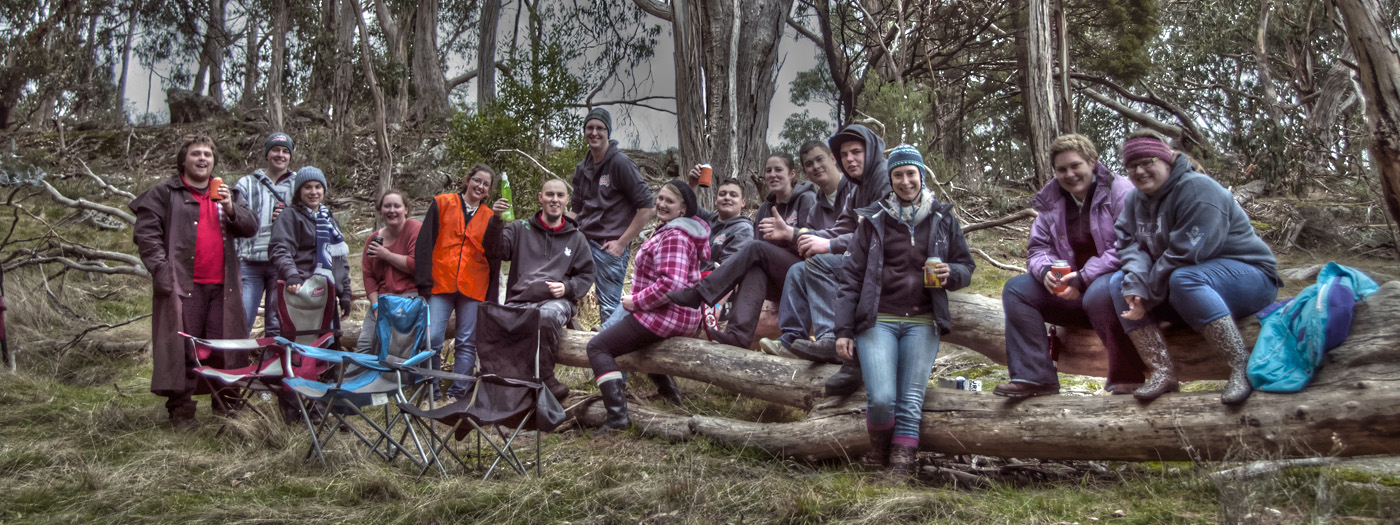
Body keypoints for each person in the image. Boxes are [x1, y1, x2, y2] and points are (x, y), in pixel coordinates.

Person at [834, 145, 975, 481]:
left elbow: (966, 266)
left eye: (911, 173)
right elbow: (851, 276)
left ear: (921, 175)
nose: (905, 181)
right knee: (882, 398)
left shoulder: (942, 218)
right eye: (898, 174)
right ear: (891, 179)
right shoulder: (873, 220)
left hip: (923, 322)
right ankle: (879, 450)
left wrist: (950, 275)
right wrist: (842, 330)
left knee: (910, 400)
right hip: (878, 320)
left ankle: (902, 464)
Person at [1109, 130, 1281, 405]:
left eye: (1147, 161)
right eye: (1131, 166)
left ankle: (1240, 367)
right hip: (1180, 282)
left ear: (1166, 160)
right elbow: (1130, 246)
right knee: (1119, 282)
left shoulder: (1198, 189)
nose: (1139, 171)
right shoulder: (1134, 201)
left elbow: (1186, 254)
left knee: (1184, 278)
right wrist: (1136, 287)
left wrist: (1148, 294)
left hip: (1249, 278)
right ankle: (1162, 371)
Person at [992, 134, 1142, 398]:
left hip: (1116, 291)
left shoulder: (1121, 191)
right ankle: (1035, 377)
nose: (1069, 174)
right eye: (1061, 169)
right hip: (1072, 293)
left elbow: (1129, 245)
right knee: (1017, 289)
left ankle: (1127, 377)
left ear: (1093, 162)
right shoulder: (1051, 201)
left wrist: (1083, 277)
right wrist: (1046, 271)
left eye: (1076, 166)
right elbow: (1038, 249)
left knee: (1100, 292)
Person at [130, 135, 258, 430]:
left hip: (222, 287)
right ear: (183, 160)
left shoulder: (227, 193)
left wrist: (229, 207)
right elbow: (147, 236)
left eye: (208, 155)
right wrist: (164, 272)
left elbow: (250, 227)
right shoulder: (165, 193)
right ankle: (182, 413)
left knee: (224, 346)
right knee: (183, 349)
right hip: (182, 285)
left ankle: (227, 407)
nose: (203, 159)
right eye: (196, 154)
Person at [587, 180, 710, 433]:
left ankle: (617, 418)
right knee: (636, 344)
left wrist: (636, 302)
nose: (662, 204)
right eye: (661, 198)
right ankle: (669, 394)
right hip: (676, 313)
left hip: (667, 314)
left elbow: (670, 285)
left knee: (598, 347)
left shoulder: (675, 235)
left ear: (683, 208)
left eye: (670, 201)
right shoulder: (674, 229)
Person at [667, 153, 816, 348]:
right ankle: (737, 334)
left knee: (755, 248)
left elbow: (812, 245)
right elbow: (691, 210)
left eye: (778, 170)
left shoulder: (806, 199)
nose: (773, 174)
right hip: (779, 281)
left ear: (792, 174)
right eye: (768, 170)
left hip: (804, 274)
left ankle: (699, 294)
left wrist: (788, 234)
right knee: (755, 268)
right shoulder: (765, 208)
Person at [792, 124, 893, 396]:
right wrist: (813, 237)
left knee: (821, 263)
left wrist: (829, 245)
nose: (850, 159)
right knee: (807, 265)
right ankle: (806, 338)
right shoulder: (859, 187)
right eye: (845, 154)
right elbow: (846, 224)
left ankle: (831, 339)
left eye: (856, 152)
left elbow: (878, 234)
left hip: (895, 265)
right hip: (871, 260)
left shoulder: (884, 177)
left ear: (870, 150)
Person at [489, 178, 596, 401]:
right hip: (520, 299)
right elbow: (495, 250)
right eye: (549, 195)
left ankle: (545, 376)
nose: (554, 200)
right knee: (496, 320)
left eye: (559, 195)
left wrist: (566, 287)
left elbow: (586, 275)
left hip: (556, 301)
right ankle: (505, 389)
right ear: (540, 198)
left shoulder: (577, 238)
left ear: (567, 200)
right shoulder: (519, 228)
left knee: (545, 316)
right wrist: (496, 220)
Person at [415, 164, 509, 401]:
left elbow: (495, 252)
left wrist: (498, 220)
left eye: (486, 184)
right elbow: (424, 243)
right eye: (477, 180)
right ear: (467, 180)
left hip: (473, 286)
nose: (480, 186)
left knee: (466, 342)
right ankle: (431, 390)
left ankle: (458, 393)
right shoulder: (442, 203)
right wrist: (423, 283)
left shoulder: (490, 216)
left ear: (489, 191)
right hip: (440, 282)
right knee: (433, 338)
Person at [569, 108, 655, 324]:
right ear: (584, 132)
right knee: (562, 287)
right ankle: (570, 336)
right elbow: (576, 208)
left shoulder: (620, 163)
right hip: (582, 241)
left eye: (600, 128)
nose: (594, 132)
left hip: (609, 247)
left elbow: (646, 207)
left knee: (609, 305)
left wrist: (622, 242)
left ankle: (610, 351)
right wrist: (557, 232)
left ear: (608, 132)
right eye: (590, 128)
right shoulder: (582, 168)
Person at [767, 140, 847, 360]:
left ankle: (829, 338)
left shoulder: (853, 190)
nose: (816, 166)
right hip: (829, 265)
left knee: (815, 263)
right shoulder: (816, 207)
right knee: (797, 270)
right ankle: (791, 339)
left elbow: (862, 235)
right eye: (809, 164)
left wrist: (793, 234)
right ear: (804, 172)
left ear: (832, 159)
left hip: (859, 260)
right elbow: (807, 243)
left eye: (820, 159)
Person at [235, 132, 297, 337]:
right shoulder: (246, 184)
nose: (280, 155)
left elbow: (310, 217)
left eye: (285, 151)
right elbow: (234, 218)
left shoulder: (299, 184)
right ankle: (236, 366)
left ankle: (273, 366)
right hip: (249, 261)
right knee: (241, 318)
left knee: (276, 323)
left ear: (290, 156)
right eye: (275, 150)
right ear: (267, 153)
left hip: (283, 262)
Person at [356, 190, 422, 353]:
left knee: (394, 348)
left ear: (405, 209)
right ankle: (358, 378)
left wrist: (386, 254)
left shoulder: (415, 229)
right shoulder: (373, 239)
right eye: (387, 206)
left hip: (408, 298)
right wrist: (376, 305)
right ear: (380, 210)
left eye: (396, 206)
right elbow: (368, 275)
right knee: (365, 345)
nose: (392, 210)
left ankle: (396, 378)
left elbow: (416, 265)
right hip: (382, 300)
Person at [701, 178, 753, 271]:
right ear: (716, 200)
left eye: (733, 195)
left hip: (709, 281)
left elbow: (728, 270)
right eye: (722, 194)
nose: (727, 198)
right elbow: (688, 205)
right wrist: (692, 183)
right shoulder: (710, 219)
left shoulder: (743, 230)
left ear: (743, 202)